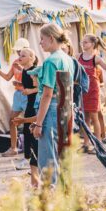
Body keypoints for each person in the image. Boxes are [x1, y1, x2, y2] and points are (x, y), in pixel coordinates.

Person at [31, 23, 75, 185]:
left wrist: (38, 123)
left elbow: (47, 94)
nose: (40, 43)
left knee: (48, 156)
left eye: (42, 39)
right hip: (65, 108)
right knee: (62, 154)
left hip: (51, 110)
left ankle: (51, 195)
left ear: (51, 38)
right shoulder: (68, 59)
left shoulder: (51, 62)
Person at [0, 37, 31, 160]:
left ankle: (31, 149)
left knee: (30, 122)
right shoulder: (15, 62)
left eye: (20, 51)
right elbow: (7, 77)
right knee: (12, 120)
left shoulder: (32, 62)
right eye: (17, 52)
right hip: (18, 95)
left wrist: (22, 73)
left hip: (28, 95)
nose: (18, 54)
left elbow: (33, 80)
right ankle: (13, 148)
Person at [77, 34, 106, 152]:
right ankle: (86, 144)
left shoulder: (96, 58)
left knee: (94, 117)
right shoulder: (78, 57)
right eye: (82, 42)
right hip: (83, 90)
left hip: (93, 90)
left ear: (92, 44)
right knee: (85, 118)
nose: (83, 44)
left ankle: (98, 144)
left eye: (86, 42)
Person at [9, 48, 41, 186]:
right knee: (26, 130)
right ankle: (28, 158)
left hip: (36, 103)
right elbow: (28, 86)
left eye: (23, 56)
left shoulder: (35, 70)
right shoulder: (23, 71)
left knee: (31, 130)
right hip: (29, 102)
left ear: (31, 58)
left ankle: (33, 161)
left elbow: (41, 87)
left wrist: (30, 90)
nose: (20, 58)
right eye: (20, 55)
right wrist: (20, 86)